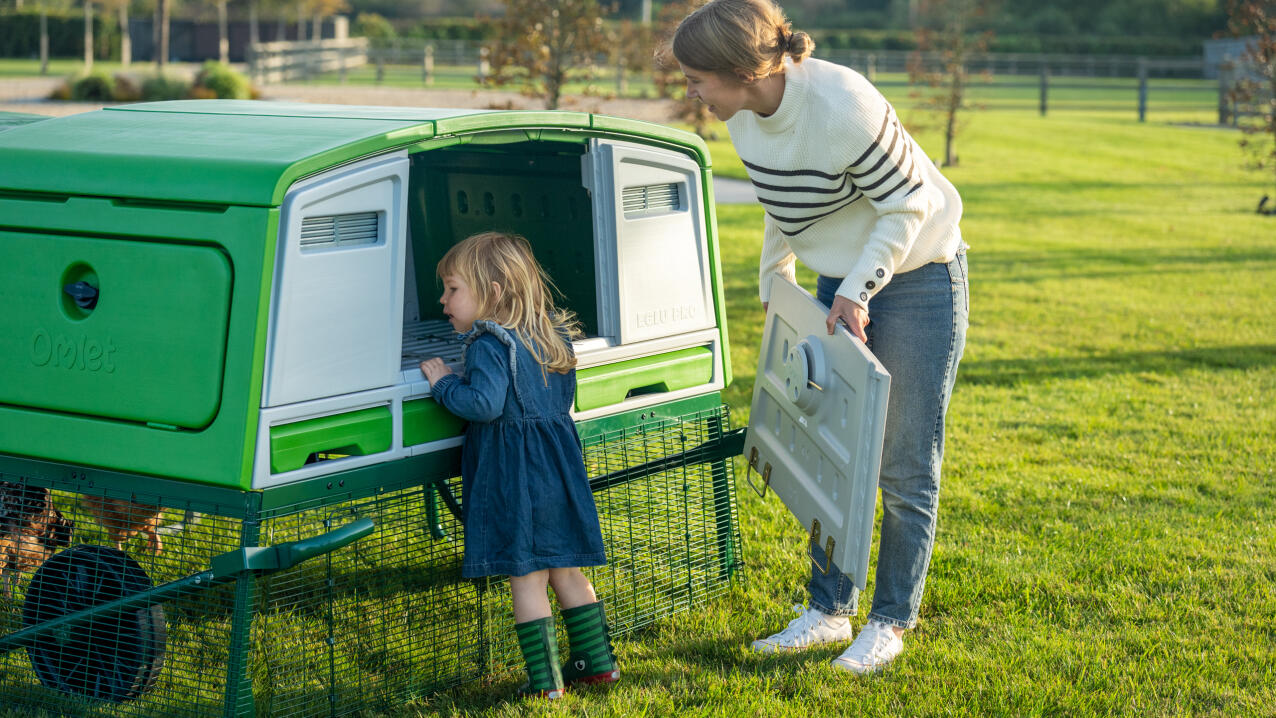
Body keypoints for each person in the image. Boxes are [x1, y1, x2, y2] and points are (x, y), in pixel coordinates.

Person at [669, 0, 970, 674]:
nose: (689, 90)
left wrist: (858, 292)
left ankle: (890, 620)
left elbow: (908, 202)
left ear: (743, 71)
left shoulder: (839, 103)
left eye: (696, 79)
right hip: (841, 277)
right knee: (834, 455)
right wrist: (777, 277)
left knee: (902, 463)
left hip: (919, 277)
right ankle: (829, 612)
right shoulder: (744, 115)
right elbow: (787, 201)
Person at [418, 231, 619, 698]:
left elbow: (485, 404)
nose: (443, 300)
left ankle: (546, 683)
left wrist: (445, 383)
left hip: (517, 476)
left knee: (526, 575)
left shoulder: (489, 345)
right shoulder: (550, 333)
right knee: (566, 569)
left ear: (493, 291)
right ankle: (597, 664)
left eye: (452, 289)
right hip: (560, 469)